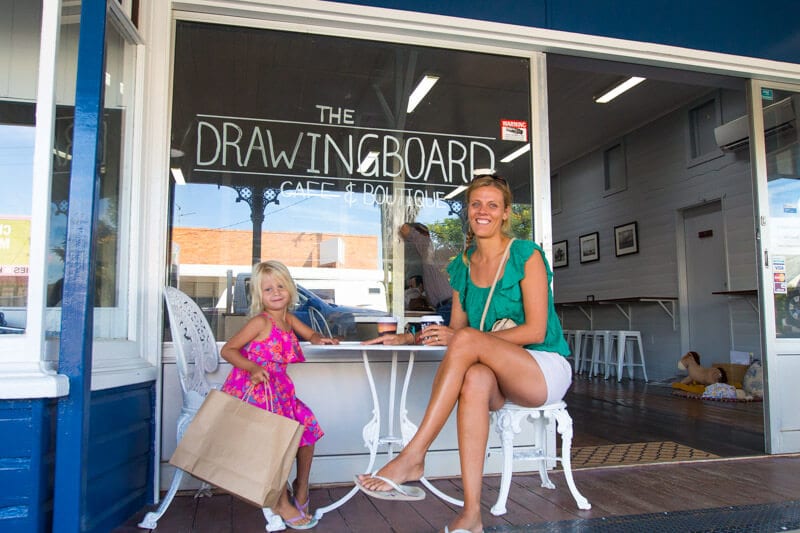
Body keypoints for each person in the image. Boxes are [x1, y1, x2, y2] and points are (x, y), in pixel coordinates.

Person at [356, 174, 572, 533]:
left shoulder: (526, 254)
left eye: (492, 205)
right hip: (496, 370)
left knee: (470, 341)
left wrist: (469, 338)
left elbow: (535, 330)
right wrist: (409, 339)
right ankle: (472, 514)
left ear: (506, 214)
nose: (483, 211)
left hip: (542, 367)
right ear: (467, 211)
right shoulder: (462, 265)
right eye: (476, 204)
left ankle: (413, 455)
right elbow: (455, 336)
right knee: (473, 377)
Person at [220, 260, 339, 530]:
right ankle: (280, 501)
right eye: (268, 289)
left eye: (281, 286)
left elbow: (310, 334)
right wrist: (252, 367)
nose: (275, 292)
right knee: (277, 441)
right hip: (256, 392)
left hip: (280, 392)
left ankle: (301, 487)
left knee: (307, 426)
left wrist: (320, 338)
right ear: (258, 296)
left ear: (291, 289)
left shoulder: (287, 318)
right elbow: (228, 350)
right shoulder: (260, 322)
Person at [400, 222, 453, 324]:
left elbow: (423, 242)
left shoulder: (429, 253)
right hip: (444, 307)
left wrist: (406, 230)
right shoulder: (426, 261)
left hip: (448, 308)